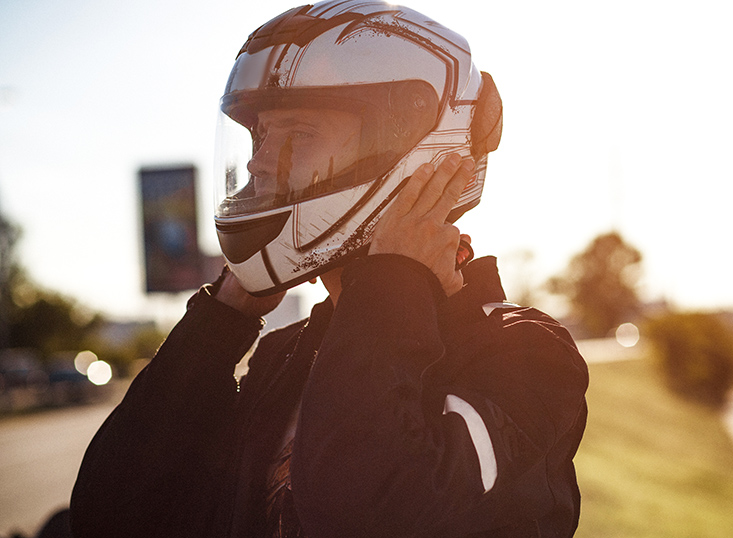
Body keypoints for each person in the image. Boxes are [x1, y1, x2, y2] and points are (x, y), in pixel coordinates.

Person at [70, 2, 589, 537]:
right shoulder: (285, 356)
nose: (257, 163)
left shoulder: (526, 354)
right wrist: (219, 323)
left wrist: (393, 278)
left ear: (404, 147)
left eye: (297, 133)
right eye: (260, 136)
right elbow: (113, 514)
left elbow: (367, 513)